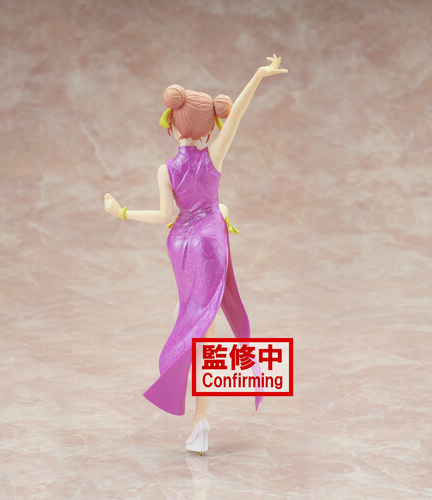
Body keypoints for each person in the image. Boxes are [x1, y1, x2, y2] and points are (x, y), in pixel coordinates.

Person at [104, 53, 288, 454]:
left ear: (172, 126)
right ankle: (201, 421)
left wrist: (122, 213)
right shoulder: (213, 156)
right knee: (202, 324)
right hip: (209, 241)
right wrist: (258, 75)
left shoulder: (166, 170)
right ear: (208, 129)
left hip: (182, 245)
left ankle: (200, 419)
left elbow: (164, 216)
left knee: (198, 323)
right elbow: (238, 115)